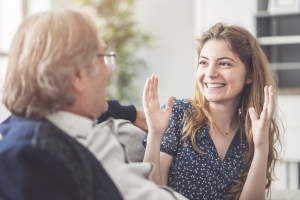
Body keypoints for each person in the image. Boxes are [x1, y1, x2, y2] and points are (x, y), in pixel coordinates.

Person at [0, 9, 187, 200]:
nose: (109, 71)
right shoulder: (30, 157)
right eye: (103, 57)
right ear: (77, 75)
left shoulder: (78, 130)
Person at [142, 23, 282, 200]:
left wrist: (261, 148)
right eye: (203, 62)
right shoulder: (178, 114)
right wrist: (155, 134)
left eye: (224, 63)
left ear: (250, 74)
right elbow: (150, 194)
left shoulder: (252, 131)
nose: (210, 73)